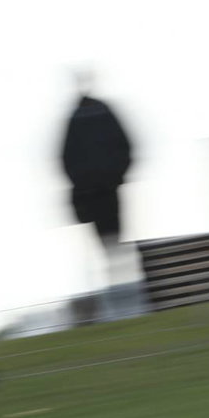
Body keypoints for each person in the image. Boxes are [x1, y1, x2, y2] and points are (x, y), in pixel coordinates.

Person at [60, 70, 141, 317]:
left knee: (105, 247)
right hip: (107, 190)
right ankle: (124, 297)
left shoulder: (74, 118)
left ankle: (116, 299)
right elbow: (126, 147)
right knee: (116, 244)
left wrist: (82, 183)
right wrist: (117, 176)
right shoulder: (103, 112)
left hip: (92, 195)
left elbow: (66, 158)